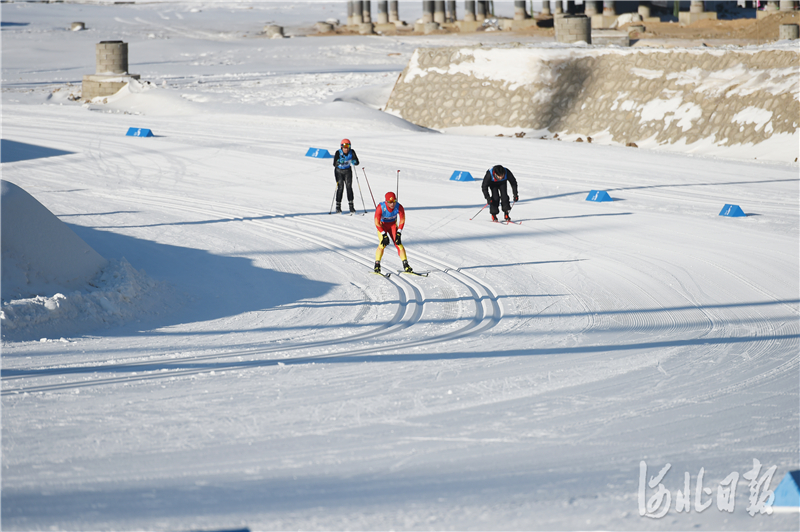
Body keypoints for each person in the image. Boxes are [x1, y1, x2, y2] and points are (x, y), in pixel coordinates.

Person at [374, 191, 413, 274]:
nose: (392, 204)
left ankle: (406, 264)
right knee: (382, 244)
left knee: (398, 243)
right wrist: (384, 235)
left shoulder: (399, 207)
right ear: (386, 201)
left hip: (392, 226)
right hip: (382, 226)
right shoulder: (380, 207)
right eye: (390, 202)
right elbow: (377, 223)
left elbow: (402, 220)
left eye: (394, 201)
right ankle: (377, 264)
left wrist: (399, 233)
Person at [332, 138, 360, 214]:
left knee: (349, 187)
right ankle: (338, 207)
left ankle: (351, 206)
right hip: (339, 171)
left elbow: (357, 162)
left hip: (348, 171)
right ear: (341, 147)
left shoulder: (352, 152)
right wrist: (338, 161)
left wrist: (355, 162)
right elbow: (334, 164)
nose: (346, 149)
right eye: (344, 148)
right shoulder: (338, 152)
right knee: (340, 187)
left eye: (347, 148)